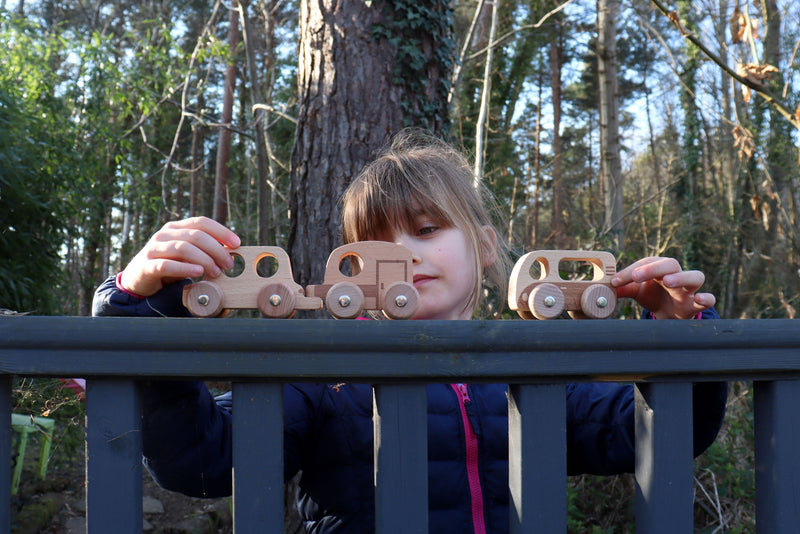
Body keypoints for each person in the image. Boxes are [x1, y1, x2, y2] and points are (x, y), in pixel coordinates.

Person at [93, 131, 727, 533]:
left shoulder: (534, 376)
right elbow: (200, 460)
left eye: (425, 230)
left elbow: (658, 438)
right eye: (375, 242)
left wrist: (679, 337)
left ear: (483, 247)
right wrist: (138, 308)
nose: (404, 254)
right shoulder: (327, 378)